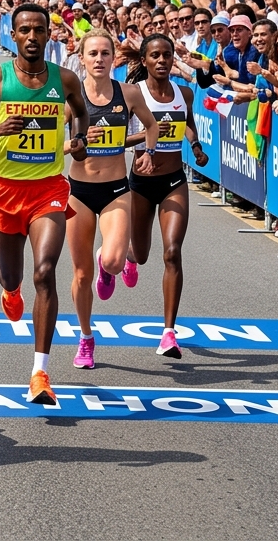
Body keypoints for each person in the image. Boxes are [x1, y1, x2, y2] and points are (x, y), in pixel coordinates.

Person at [0, 3, 89, 406]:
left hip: (49, 189)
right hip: (6, 190)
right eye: (25, 30)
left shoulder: (65, 79)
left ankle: (40, 373)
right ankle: (10, 290)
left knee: (45, 271)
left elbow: (81, 115)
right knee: (11, 275)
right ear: (12, 34)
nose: (32, 37)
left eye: (39, 30)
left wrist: (80, 139)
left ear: (49, 35)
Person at [65, 29, 160, 368]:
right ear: (82, 59)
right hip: (78, 192)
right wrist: (76, 143)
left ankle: (108, 263)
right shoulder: (71, 97)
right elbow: (52, 143)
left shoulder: (129, 93)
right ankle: (85, 337)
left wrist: (148, 152)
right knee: (81, 275)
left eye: (105, 53)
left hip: (116, 190)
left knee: (115, 261)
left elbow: (152, 126)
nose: (99, 59)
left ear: (114, 58)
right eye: (93, 53)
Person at [125, 34, 209, 359]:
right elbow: (118, 140)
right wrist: (148, 135)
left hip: (174, 181)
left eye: (167, 55)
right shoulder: (133, 94)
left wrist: (196, 146)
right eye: (155, 55)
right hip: (141, 183)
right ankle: (121, 258)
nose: (162, 60)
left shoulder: (184, 93)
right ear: (144, 60)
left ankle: (168, 333)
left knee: (172, 252)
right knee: (141, 254)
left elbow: (188, 124)